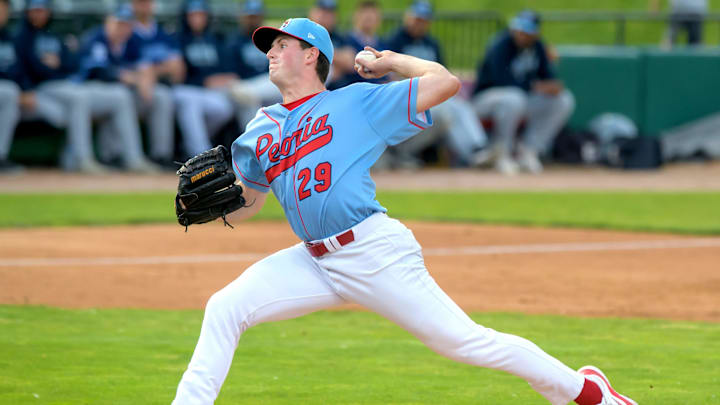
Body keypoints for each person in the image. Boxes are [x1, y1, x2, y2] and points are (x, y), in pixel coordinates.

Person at [171, 17, 636, 405]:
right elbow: (251, 203)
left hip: (374, 252)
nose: (270, 51)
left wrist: (389, 61)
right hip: (312, 260)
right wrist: (216, 205)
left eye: (282, 44)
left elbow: (445, 83)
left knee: (463, 342)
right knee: (225, 306)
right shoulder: (260, 128)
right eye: (269, 46)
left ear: (311, 55)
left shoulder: (356, 102)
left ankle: (588, 392)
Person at [384, 0, 488, 168]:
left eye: (424, 20)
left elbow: (443, 73)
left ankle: (477, 150)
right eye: (417, 18)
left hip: (430, 94)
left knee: (460, 105)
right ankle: (400, 152)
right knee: (443, 113)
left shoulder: (432, 43)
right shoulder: (394, 41)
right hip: (406, 95)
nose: (420, 23)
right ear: (407, 17)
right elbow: (389, 76)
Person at [472, 10, 575, 175]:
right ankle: (502, 151)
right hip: (485, 100)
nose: (521, 34)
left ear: (535, 32)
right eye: (519, 29)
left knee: (563, 99)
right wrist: (536, 86)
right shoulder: (501, 44)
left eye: (526, 31)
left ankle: (529, 150)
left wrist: (553, 84)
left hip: (519, 99)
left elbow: (547, 77)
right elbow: (501, 80)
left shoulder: (538, 46)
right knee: (514, 97)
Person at [14, 0, 107, 173]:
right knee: (77, 101)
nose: (38, 14)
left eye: (42, 10)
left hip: (58, 87)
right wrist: (36, 74)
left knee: (68, 112)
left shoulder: (54, 34)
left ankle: (72, 158)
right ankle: (81, 158)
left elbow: (72, 63)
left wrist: (59, 62)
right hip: (38, 88)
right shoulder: (22, 36)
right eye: (35, 10)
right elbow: (22, 66)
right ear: (27, 12)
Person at [74, 3, 161, 172]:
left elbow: (145, 65)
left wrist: (146, 80)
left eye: (127, 24)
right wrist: (129, 77)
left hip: (111, 93)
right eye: (119, 23)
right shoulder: (96, 39)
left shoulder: (131, 41)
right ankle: (133, 158)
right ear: (108, 22)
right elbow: (98, 72)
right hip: (84, 89)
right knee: (121, 95)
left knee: (158, 95)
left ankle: (159, 155)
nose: (123, 28)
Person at [173, 0, 236, 157]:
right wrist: (202, 81)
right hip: (185, 88)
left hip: (207, 91)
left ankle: (190, 143)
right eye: (193, 15)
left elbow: (224, 68)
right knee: (190, 103)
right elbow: (178, 75)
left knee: (224, 108)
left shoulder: (213, 40)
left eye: (201, 15)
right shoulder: (177, 38)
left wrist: (220, 79)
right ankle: (200, 154)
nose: (197, 19)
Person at [130, 0, 180, 166]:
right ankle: (123, 156)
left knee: (163, 96)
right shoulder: (127, 30)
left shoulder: (162, 32)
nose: (144, 6)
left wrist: (152, 71)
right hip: (132, 87)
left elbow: (177, 69)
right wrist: (146, 74)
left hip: (157, 86)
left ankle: (161, 156)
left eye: (147, 2)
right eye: (140, 3)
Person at [226, 0, 281, 126]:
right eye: (249, 16)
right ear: (242, 17)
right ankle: (255, 142)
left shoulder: (271, 40)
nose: (252, 20)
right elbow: (232, 74)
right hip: (245, 84)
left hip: (270, 84)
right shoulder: (234, 41)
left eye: (255, 16)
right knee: (244, 98)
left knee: (245, 93)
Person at [307, 0, 356, 90]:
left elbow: (350, 62)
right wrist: (334, 64)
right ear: (312, 12)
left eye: (330, 13)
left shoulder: (338, 37)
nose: (326, 16)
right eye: (322, 11)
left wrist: (319, 51)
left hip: (338, 91)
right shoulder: (303, 33)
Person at [0, 0, 22, 173]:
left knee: (10, 91)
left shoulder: (9, 37)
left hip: (10, 88)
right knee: (9, 91)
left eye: (3, 8)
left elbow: (18, 69)